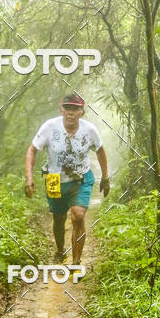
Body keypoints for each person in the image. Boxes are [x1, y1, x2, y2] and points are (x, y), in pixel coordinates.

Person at [24, 93, 110, 264]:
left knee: (78, 215)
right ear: (61, 110)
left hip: (82, 178)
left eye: (75, 109)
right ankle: (60, 250)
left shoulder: (90, 130)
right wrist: (29, 178)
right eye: (68, 108)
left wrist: (105, 177)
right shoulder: (49, 127)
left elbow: (100, 150)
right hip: (54, 179)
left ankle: (76, 261)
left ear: (82, 112)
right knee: (59, 217)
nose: (71, 113)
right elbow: (32, 150)